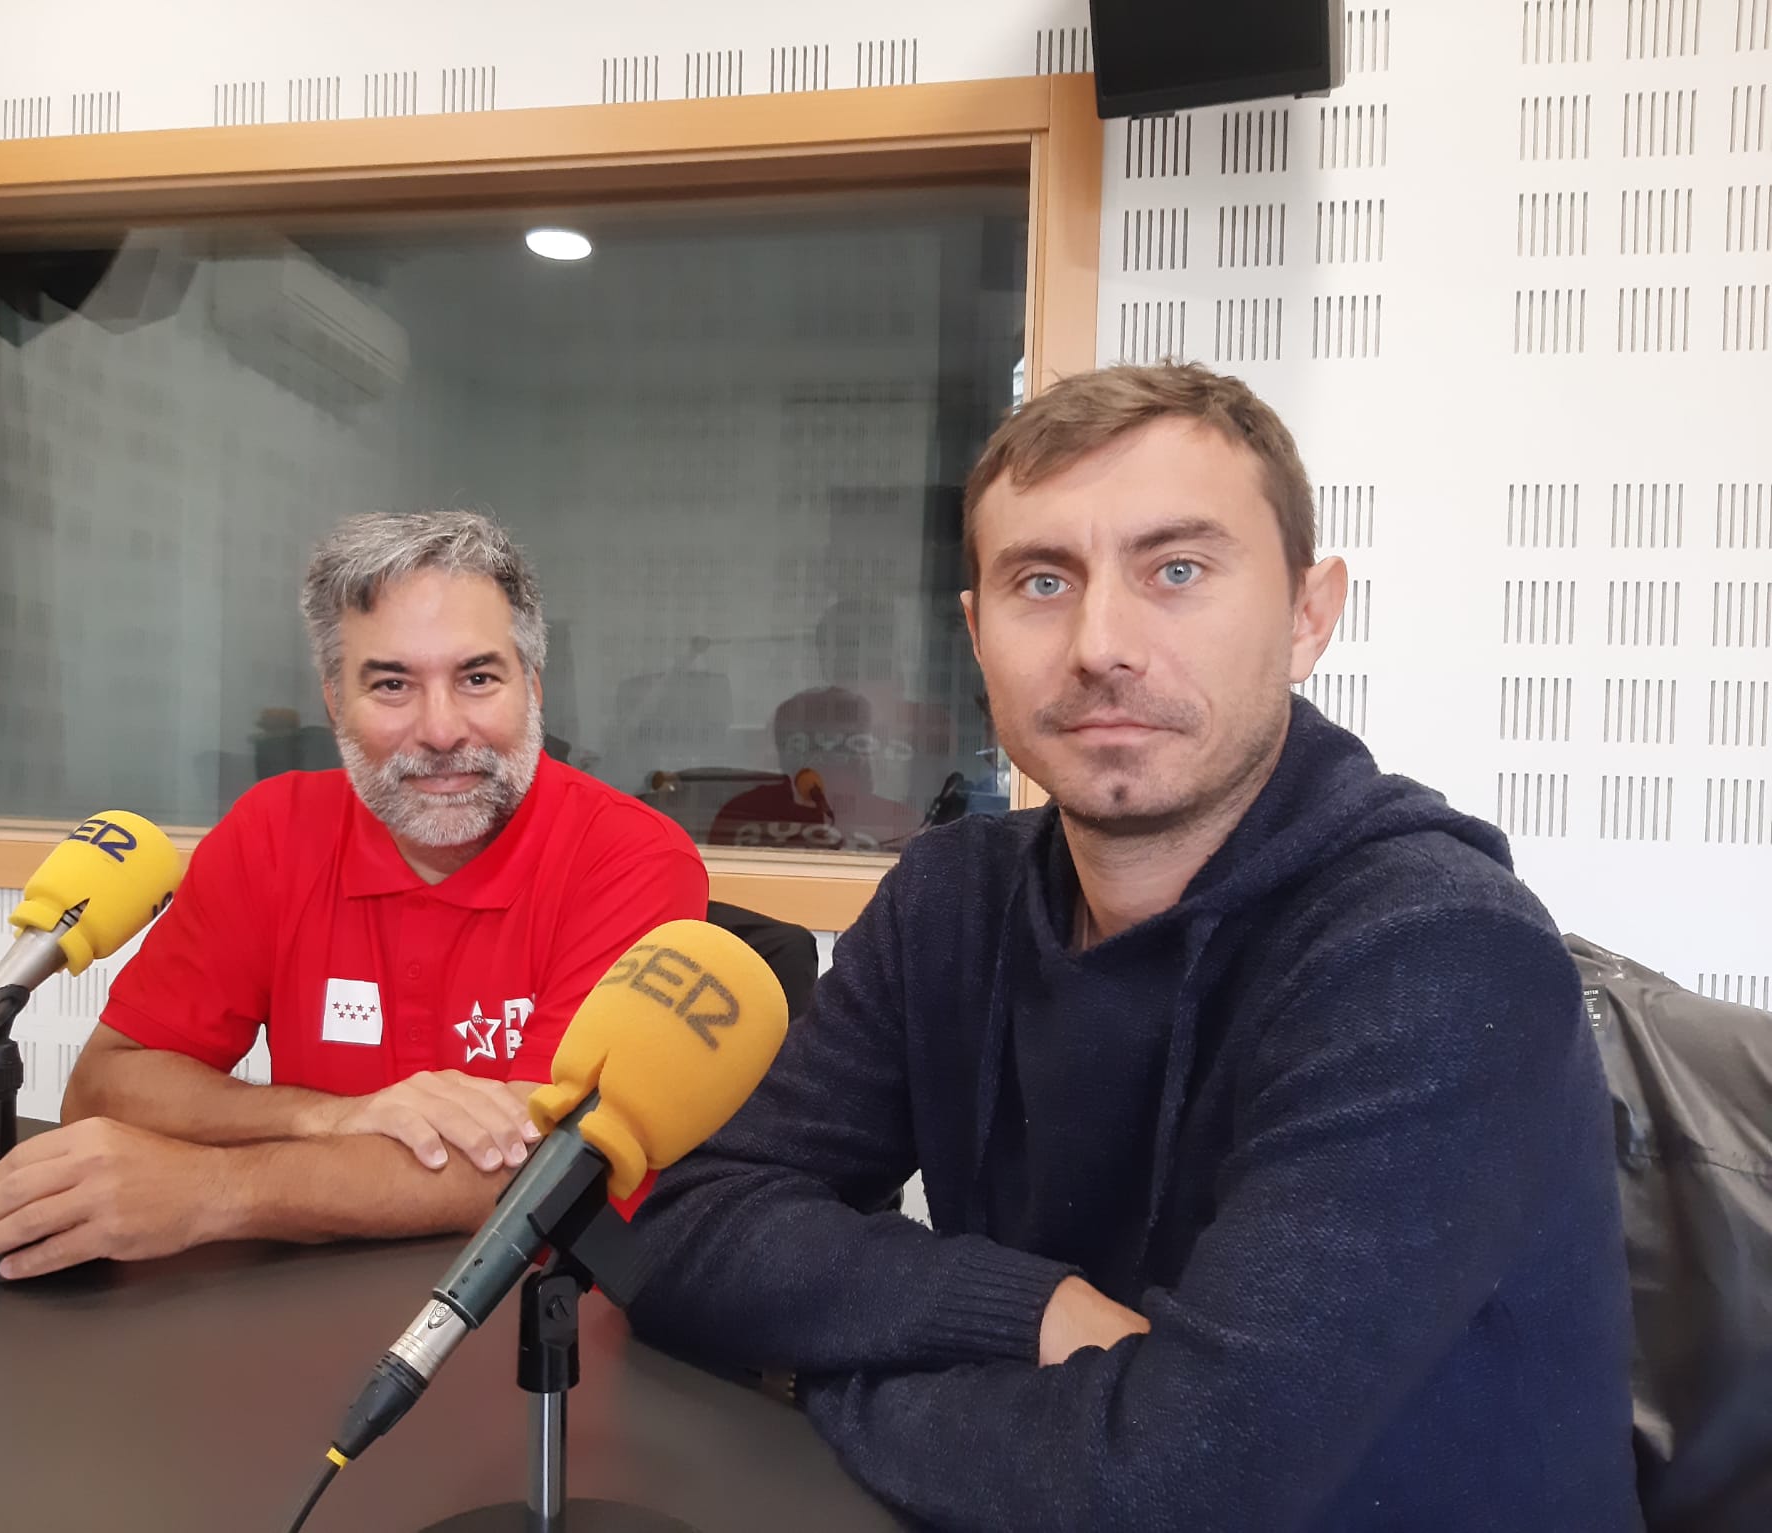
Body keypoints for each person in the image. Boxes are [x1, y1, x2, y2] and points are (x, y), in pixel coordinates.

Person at [626, 364, 1640, 1530]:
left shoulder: (1434, 951)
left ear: (1309, 615)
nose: (1099, 642)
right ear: (975, 634)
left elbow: (1179, 1483)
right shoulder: (950, 898)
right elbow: (687, 1230)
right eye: (1041, 581)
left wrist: (809, 1379)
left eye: (1176, 570)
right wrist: (1026, 1311)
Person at [0, 511, 709, 1280]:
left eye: (478, 677)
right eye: (391, 684)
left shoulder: (633, 858)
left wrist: (213, 1188)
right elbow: (108, 1087)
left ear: (534, 686)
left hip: (539, 1328)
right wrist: (333, 1114)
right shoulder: (272, 832)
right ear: (334, 702)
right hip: (294, 1308)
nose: (442, 729)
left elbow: (534, 1171)